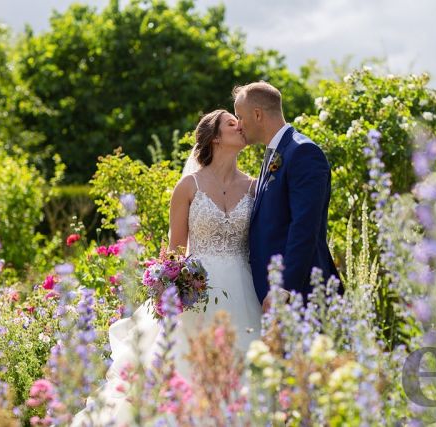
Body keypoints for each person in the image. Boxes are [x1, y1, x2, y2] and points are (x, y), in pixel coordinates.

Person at [71, 110, 262, 426]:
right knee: (188, 373)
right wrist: (171, 283)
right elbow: (175, 251)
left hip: (244, 289)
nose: (240, 126)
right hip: (200, 295)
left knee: (244, 371)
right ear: (215, 137)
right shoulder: (189, 186)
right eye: (232, 123)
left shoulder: (255, 187)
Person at [233, 81, 340, 312]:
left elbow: (305, 227)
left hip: (302, 295)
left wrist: (284, 288)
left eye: (240, 117)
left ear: (258, 114)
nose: (238, 125)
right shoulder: (274, 153)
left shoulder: (303, 152)